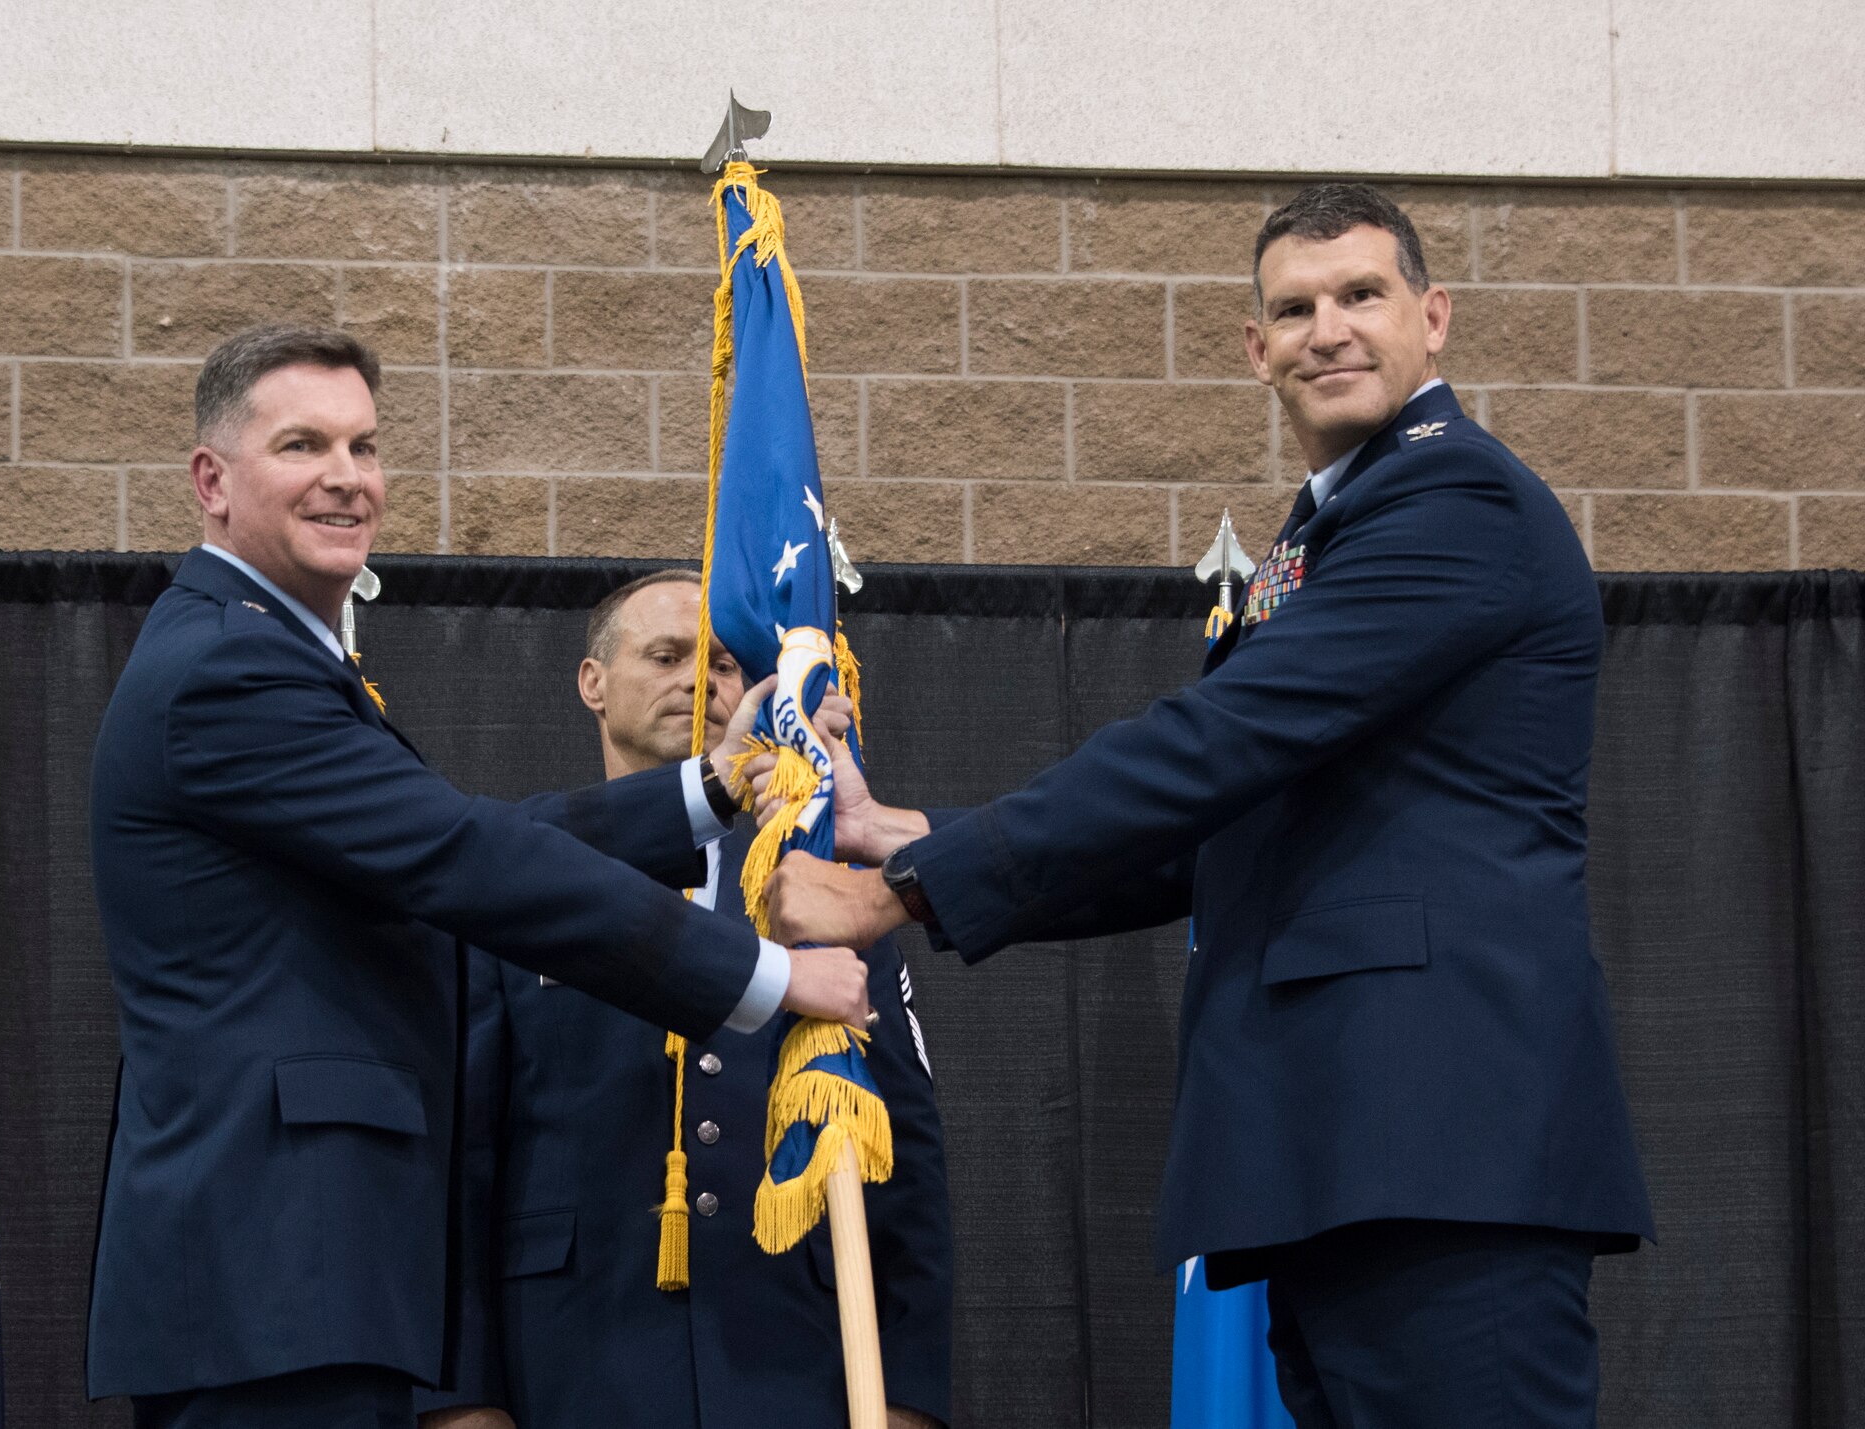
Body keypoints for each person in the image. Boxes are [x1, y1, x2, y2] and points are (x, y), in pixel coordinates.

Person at [762, 184, 1654, 1428]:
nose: (1325, 330)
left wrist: (889, 895)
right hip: (1340, 1154)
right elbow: (1219, 825)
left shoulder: (1456, 504)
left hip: (1440, 1144)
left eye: (1360, 295)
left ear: (1433, 317)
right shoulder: (1327, 529)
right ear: (1254, 348)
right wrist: (900, 834)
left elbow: (1216, 742)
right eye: (1292, 308)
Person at [85, 324, 870, 1429]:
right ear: (211, 481)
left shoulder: (259, 649)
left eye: (363, 445)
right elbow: (465, 860)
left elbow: (465, 837)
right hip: (272, 1276)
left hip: (298, 1284)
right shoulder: (229, 664)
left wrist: (712, 786)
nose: (345, 477)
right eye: (303, 444)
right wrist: (767, 976)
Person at [417, 569, 952, 1429]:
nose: (700, 682)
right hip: (575, 1367)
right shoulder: (513, 883)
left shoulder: (820, 891)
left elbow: (906, 1165)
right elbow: (459, 1166)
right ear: (593, 683)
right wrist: (461, 1406)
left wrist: (906, 1403)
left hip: (793, 1368)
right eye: (666, 655)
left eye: (724, 666)